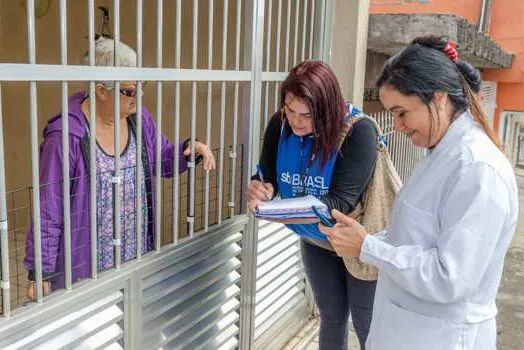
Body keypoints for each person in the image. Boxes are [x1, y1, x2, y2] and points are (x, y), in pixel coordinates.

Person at [320, 36, 519, 350]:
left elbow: (450, 277)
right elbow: (417, 236)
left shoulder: (477, 169)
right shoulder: (439, 154)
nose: (397, 125)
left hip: (442, 337)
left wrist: (370, 247)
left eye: (401, 112)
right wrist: (368, 238)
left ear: (438, 99)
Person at [24, 37, 215, 300]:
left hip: (135, 256)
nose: (139, 96)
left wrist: (188, 151)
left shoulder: (139, 118)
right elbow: (49, 208)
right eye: (129, 91)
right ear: (102, 90)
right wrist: (41, 272)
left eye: (141, 86)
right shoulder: (66, 137)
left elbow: (161, 158)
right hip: (87, 268)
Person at [247, 60, 378, 350]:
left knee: (367, 324)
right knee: (331, 317)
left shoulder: (360, 131)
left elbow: (339, 204)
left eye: (306, 115)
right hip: (316, 241)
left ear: (328, 109)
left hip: (359, 242)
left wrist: (279, 213)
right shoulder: (280, 124)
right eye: (290, 110)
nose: (296, 121)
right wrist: (260, 188)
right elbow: (268, 177)